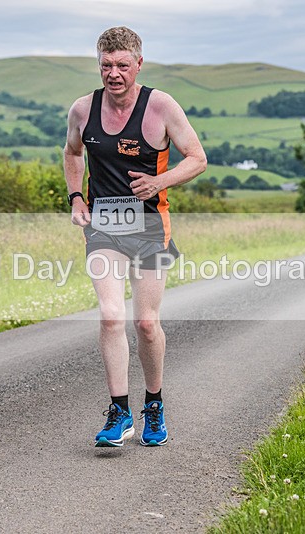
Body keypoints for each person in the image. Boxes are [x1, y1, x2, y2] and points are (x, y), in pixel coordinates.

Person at [63, 26, 207, 447]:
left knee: (145, 323)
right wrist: (75, 198)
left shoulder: (160, 106)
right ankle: (119, 411)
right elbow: (72, 153)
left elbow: (197, 159)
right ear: (99, 64)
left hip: (149, 226)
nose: (114, 73)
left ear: (138, 64)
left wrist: (159, 181)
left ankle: (154, 405)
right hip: (103, 227)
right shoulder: (82, 110)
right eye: (106, 65)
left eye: (123, 65)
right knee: (110, 315)